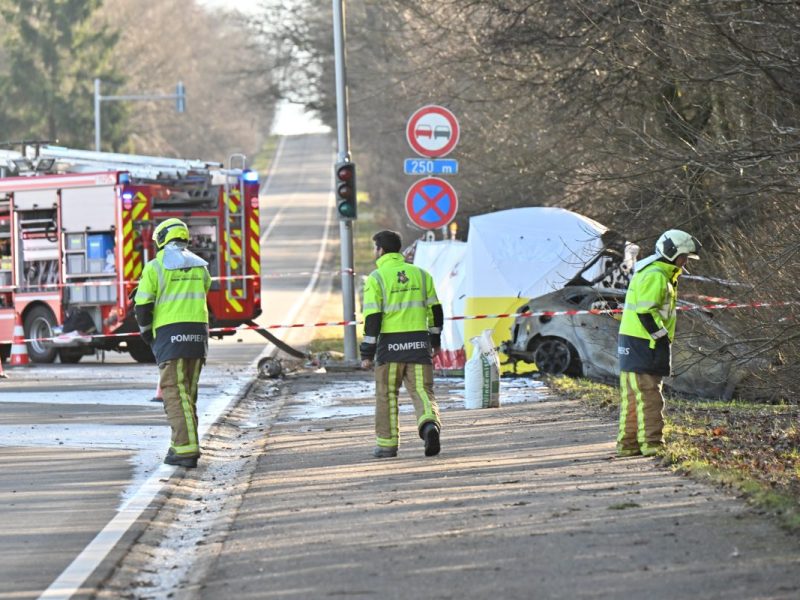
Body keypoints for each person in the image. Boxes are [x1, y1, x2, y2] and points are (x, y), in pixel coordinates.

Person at [360, 230, 444, 458]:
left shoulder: (377, 278)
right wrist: (435, 340)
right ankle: (429, 426)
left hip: (389, 349)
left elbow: (373, 319)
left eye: (374, 248)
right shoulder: (421, 275)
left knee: (386, 394)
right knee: (422, 391)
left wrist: (366, 353)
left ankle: (387, 445)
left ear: (381, 250)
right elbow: (435, 311)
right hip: (418, 344)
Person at [617, 229, 701, 457]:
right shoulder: (656, 275)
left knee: (634, 400)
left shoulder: (653, 271)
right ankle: (652, 445)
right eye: (684, 257)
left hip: (634, 344)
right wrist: (661, 336)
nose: (685, 262)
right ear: (672, 253)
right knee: (650, 399)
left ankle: (628, 445)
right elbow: (646, 312)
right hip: (645, 345)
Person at [134, 218, 211, 468]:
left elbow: (143, 306)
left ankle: (186, 449)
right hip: (198, 336)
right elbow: (204, 292)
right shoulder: (201, 267)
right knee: (187, 394)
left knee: (174, 394)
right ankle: (180, 444)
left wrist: (147, 334)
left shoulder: (155, 267)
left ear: (161, 238)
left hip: (170, 335)